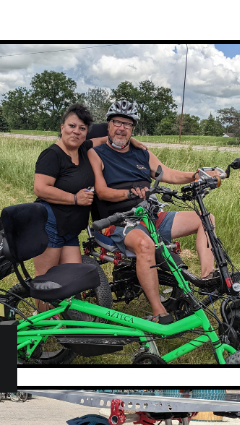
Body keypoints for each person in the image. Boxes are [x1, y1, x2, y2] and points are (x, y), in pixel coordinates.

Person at [87, 100, 225, 320]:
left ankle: (206, 277)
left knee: (204, 218)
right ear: (108, 125)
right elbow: (102, 192)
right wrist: (131, 193)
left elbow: (167, 173)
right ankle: (158, 311)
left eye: (127, 124)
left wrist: (196, 176)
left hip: (150, 215)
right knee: (145, 244)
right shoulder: (97, 153)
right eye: (117, 122)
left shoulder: (142, 153)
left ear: (133, 129)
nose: (121, 128)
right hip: (117, 221)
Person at [31, 104, 96, 282]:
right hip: (50, 225)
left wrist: (133, 142)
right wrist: (75, 199)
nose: (76, 132)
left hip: (70, 229)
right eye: (71, 126)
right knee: (46, 281)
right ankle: (43, 311)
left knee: (72, 281)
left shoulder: (83, 149)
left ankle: (63, 311)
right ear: (62, 128)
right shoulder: (52, 155)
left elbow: (106, 138)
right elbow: (41, 188)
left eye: (82, 128)